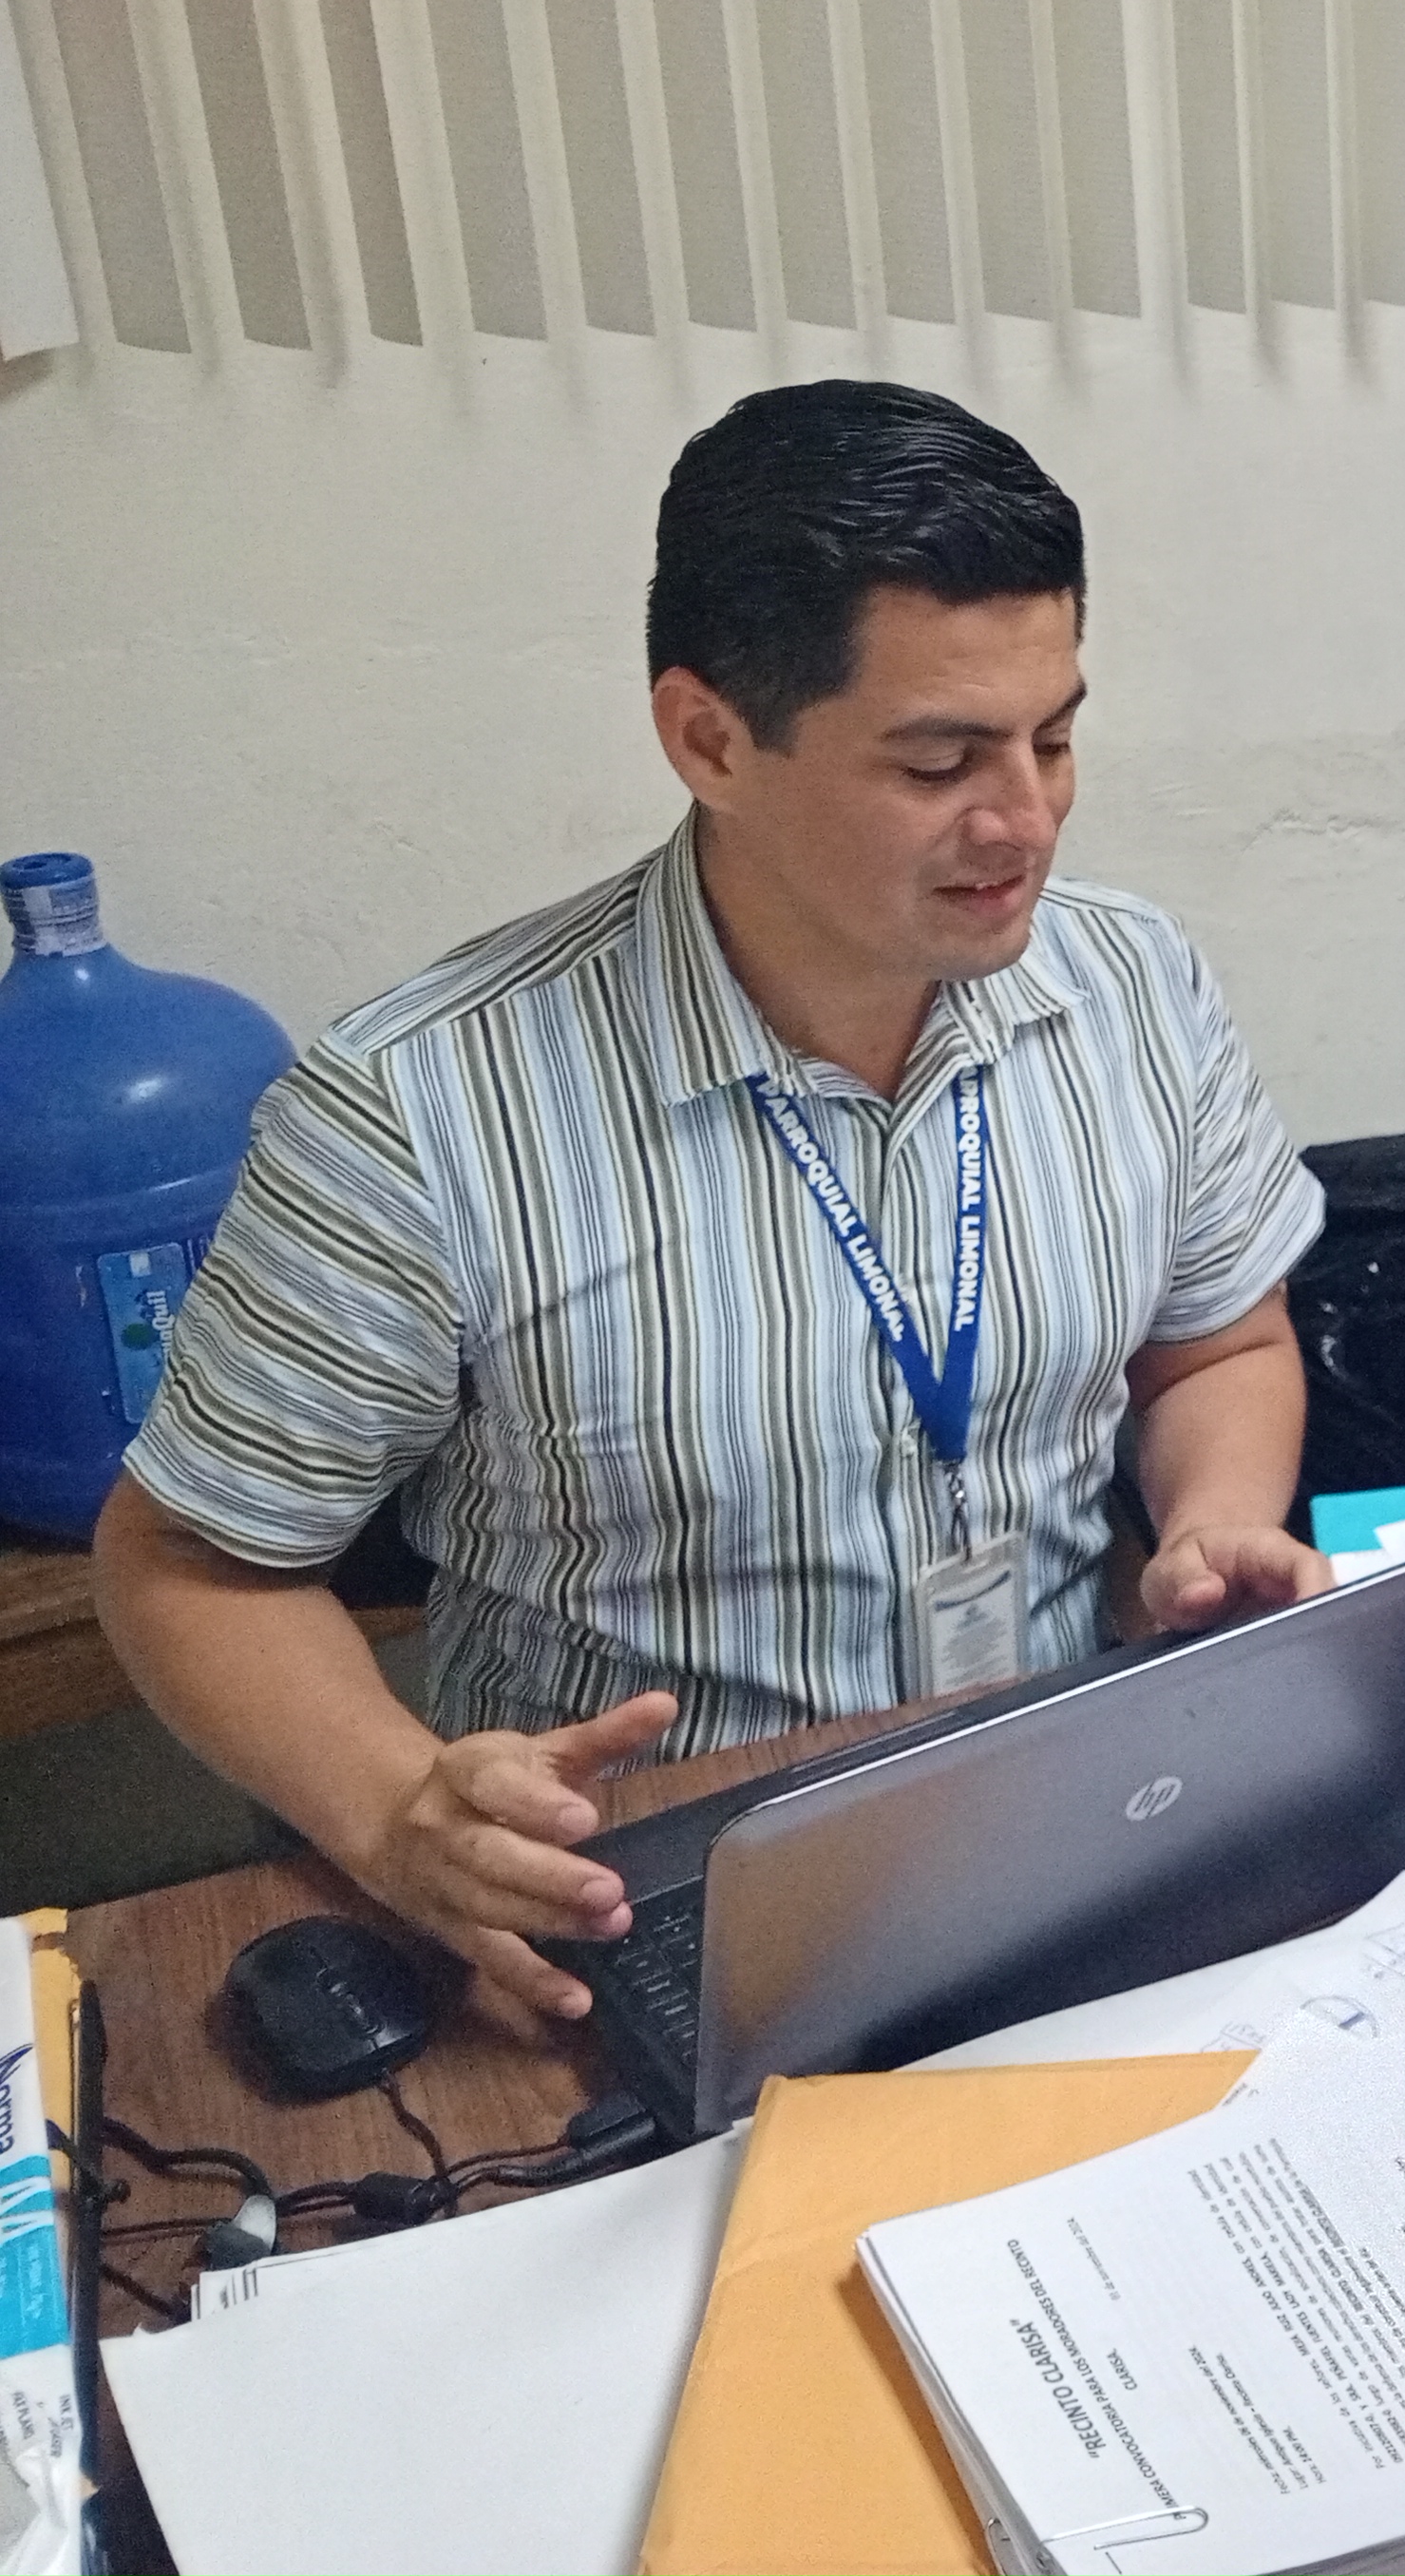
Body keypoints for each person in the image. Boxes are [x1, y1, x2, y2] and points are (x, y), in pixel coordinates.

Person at [96, 382, 1333, 2021]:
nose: (1025, 820)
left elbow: (1220, 1344)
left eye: (1052, 738)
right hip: (651, 1884)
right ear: (710, 739)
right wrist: (400, 1813)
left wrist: (1213, 1520)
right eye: (940, 760)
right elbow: (183, 1564)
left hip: (1071, 1808)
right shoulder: (421, 1107)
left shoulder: (1131, 985)